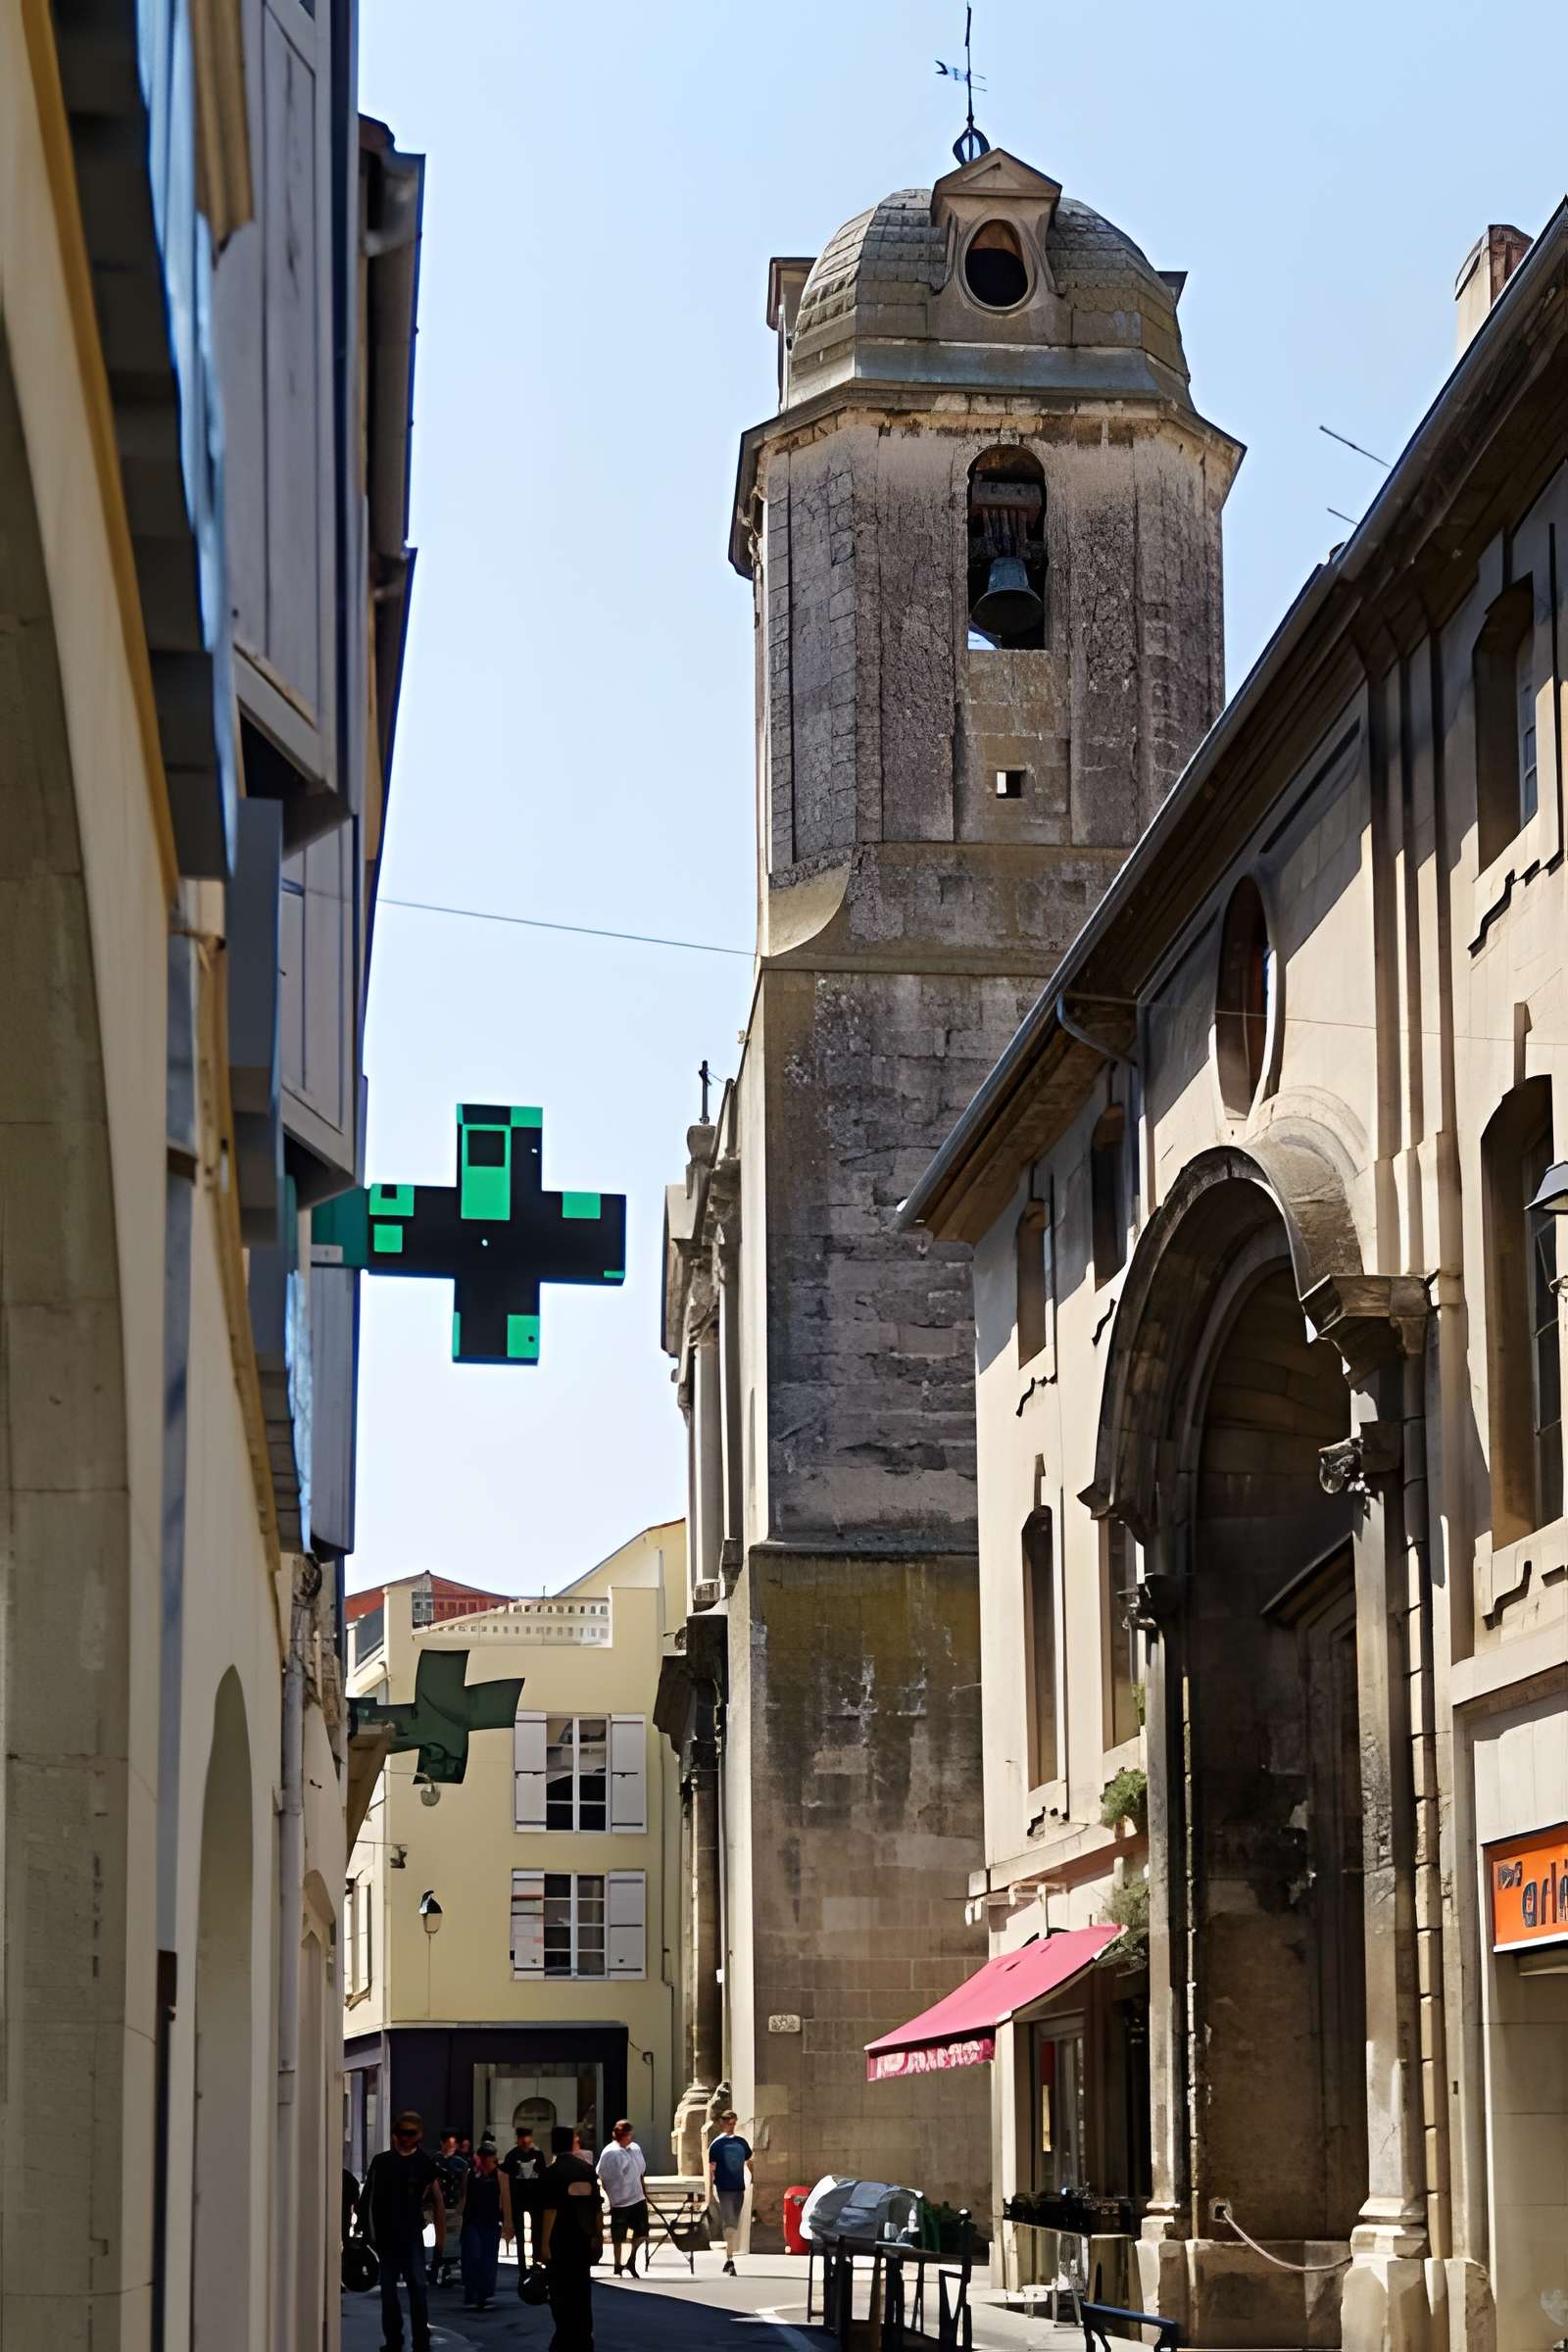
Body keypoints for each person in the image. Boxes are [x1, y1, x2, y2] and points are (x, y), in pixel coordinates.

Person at [358, 2112, 445, 2352]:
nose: (406, 2138)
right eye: (402, 2132)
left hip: (410, 2236)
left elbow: (437, 2201)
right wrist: (364, 2230)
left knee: (416, 2289)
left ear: (419, 2135)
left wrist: (440, 2242)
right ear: (395, 2135)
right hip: (387, 2237)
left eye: (410, 2133)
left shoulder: (424, 2164)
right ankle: (396, 2341)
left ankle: (419, 2341)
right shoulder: (382, 2162)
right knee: (390, 2292)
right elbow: (368, 2196)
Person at [539, 2124, 603, 2350]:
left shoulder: (552, 2173)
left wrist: (544, 2245)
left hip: (559, 2239)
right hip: (583, 2237)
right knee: (582, 2289)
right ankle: (584, 2336)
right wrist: (598, 2236)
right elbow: (597, 2208)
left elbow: (550, 2210)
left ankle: (564, 2336)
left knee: (559, 2290)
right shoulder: (586, 2170)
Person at [460, 2133, 511, 2311]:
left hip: (491, 2221)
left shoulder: (500, 2175)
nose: (490, 2163)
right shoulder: (470, 2174)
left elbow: (506, 2199)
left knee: (488, 2259)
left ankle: (484, 2293)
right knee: (472, 2256)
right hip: (472, 2221)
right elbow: (464, 2196)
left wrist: (508, 2223)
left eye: (492, 2159)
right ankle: (471, 2292)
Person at [595, 2119, 649, 2279]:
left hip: (638, 2197)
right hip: (620, 2200)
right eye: (626, 2134)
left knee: (642, 2232)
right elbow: (603, 2176)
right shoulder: (610, 2152)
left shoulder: (635, 2149)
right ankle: (617, 2264)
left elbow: (641, 2173)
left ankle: (631, 2260)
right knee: (619, 2235)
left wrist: (644, 2192)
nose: (630, 2137)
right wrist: (611, 2196)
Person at [707, 2111, 754, 2277]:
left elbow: (749, 2161)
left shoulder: (741, 2142)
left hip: (738, 2187)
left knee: (734, 2223)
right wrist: (711, 2191)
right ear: (722, 2123)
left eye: (733, 2123)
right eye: (729, 2123)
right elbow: (711, 2169)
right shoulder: (716, 2145)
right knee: (730, 2223)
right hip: (724, 2188)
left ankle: (729, 2257)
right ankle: (730, 2259)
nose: (731, 2126)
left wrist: (751, 2179)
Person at [502, 2124, 546, 2275]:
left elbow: (543, 2176)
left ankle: (536, 2261)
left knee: (537, 2231)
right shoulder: (512, 2156)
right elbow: (506, 2178)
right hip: (518, 2199)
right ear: (519, 2139)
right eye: (522, 2138)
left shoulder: (538, 2155)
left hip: (535, 2199)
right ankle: (522, 2264)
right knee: (519, 2233)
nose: (525, 2142)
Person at [428, 2130, 467, 2286]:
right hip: (438, 2204)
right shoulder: (434, 2161)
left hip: (453, 2203)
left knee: (452, 2238)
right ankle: (436, 2269)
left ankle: (446, 2270)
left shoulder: (461, 2163)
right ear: (442, 2143)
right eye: (448, 2144)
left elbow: (464, 2185)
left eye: (453, 2144)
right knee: (441, 2239)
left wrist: (462, 2202)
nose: (451, 2147)